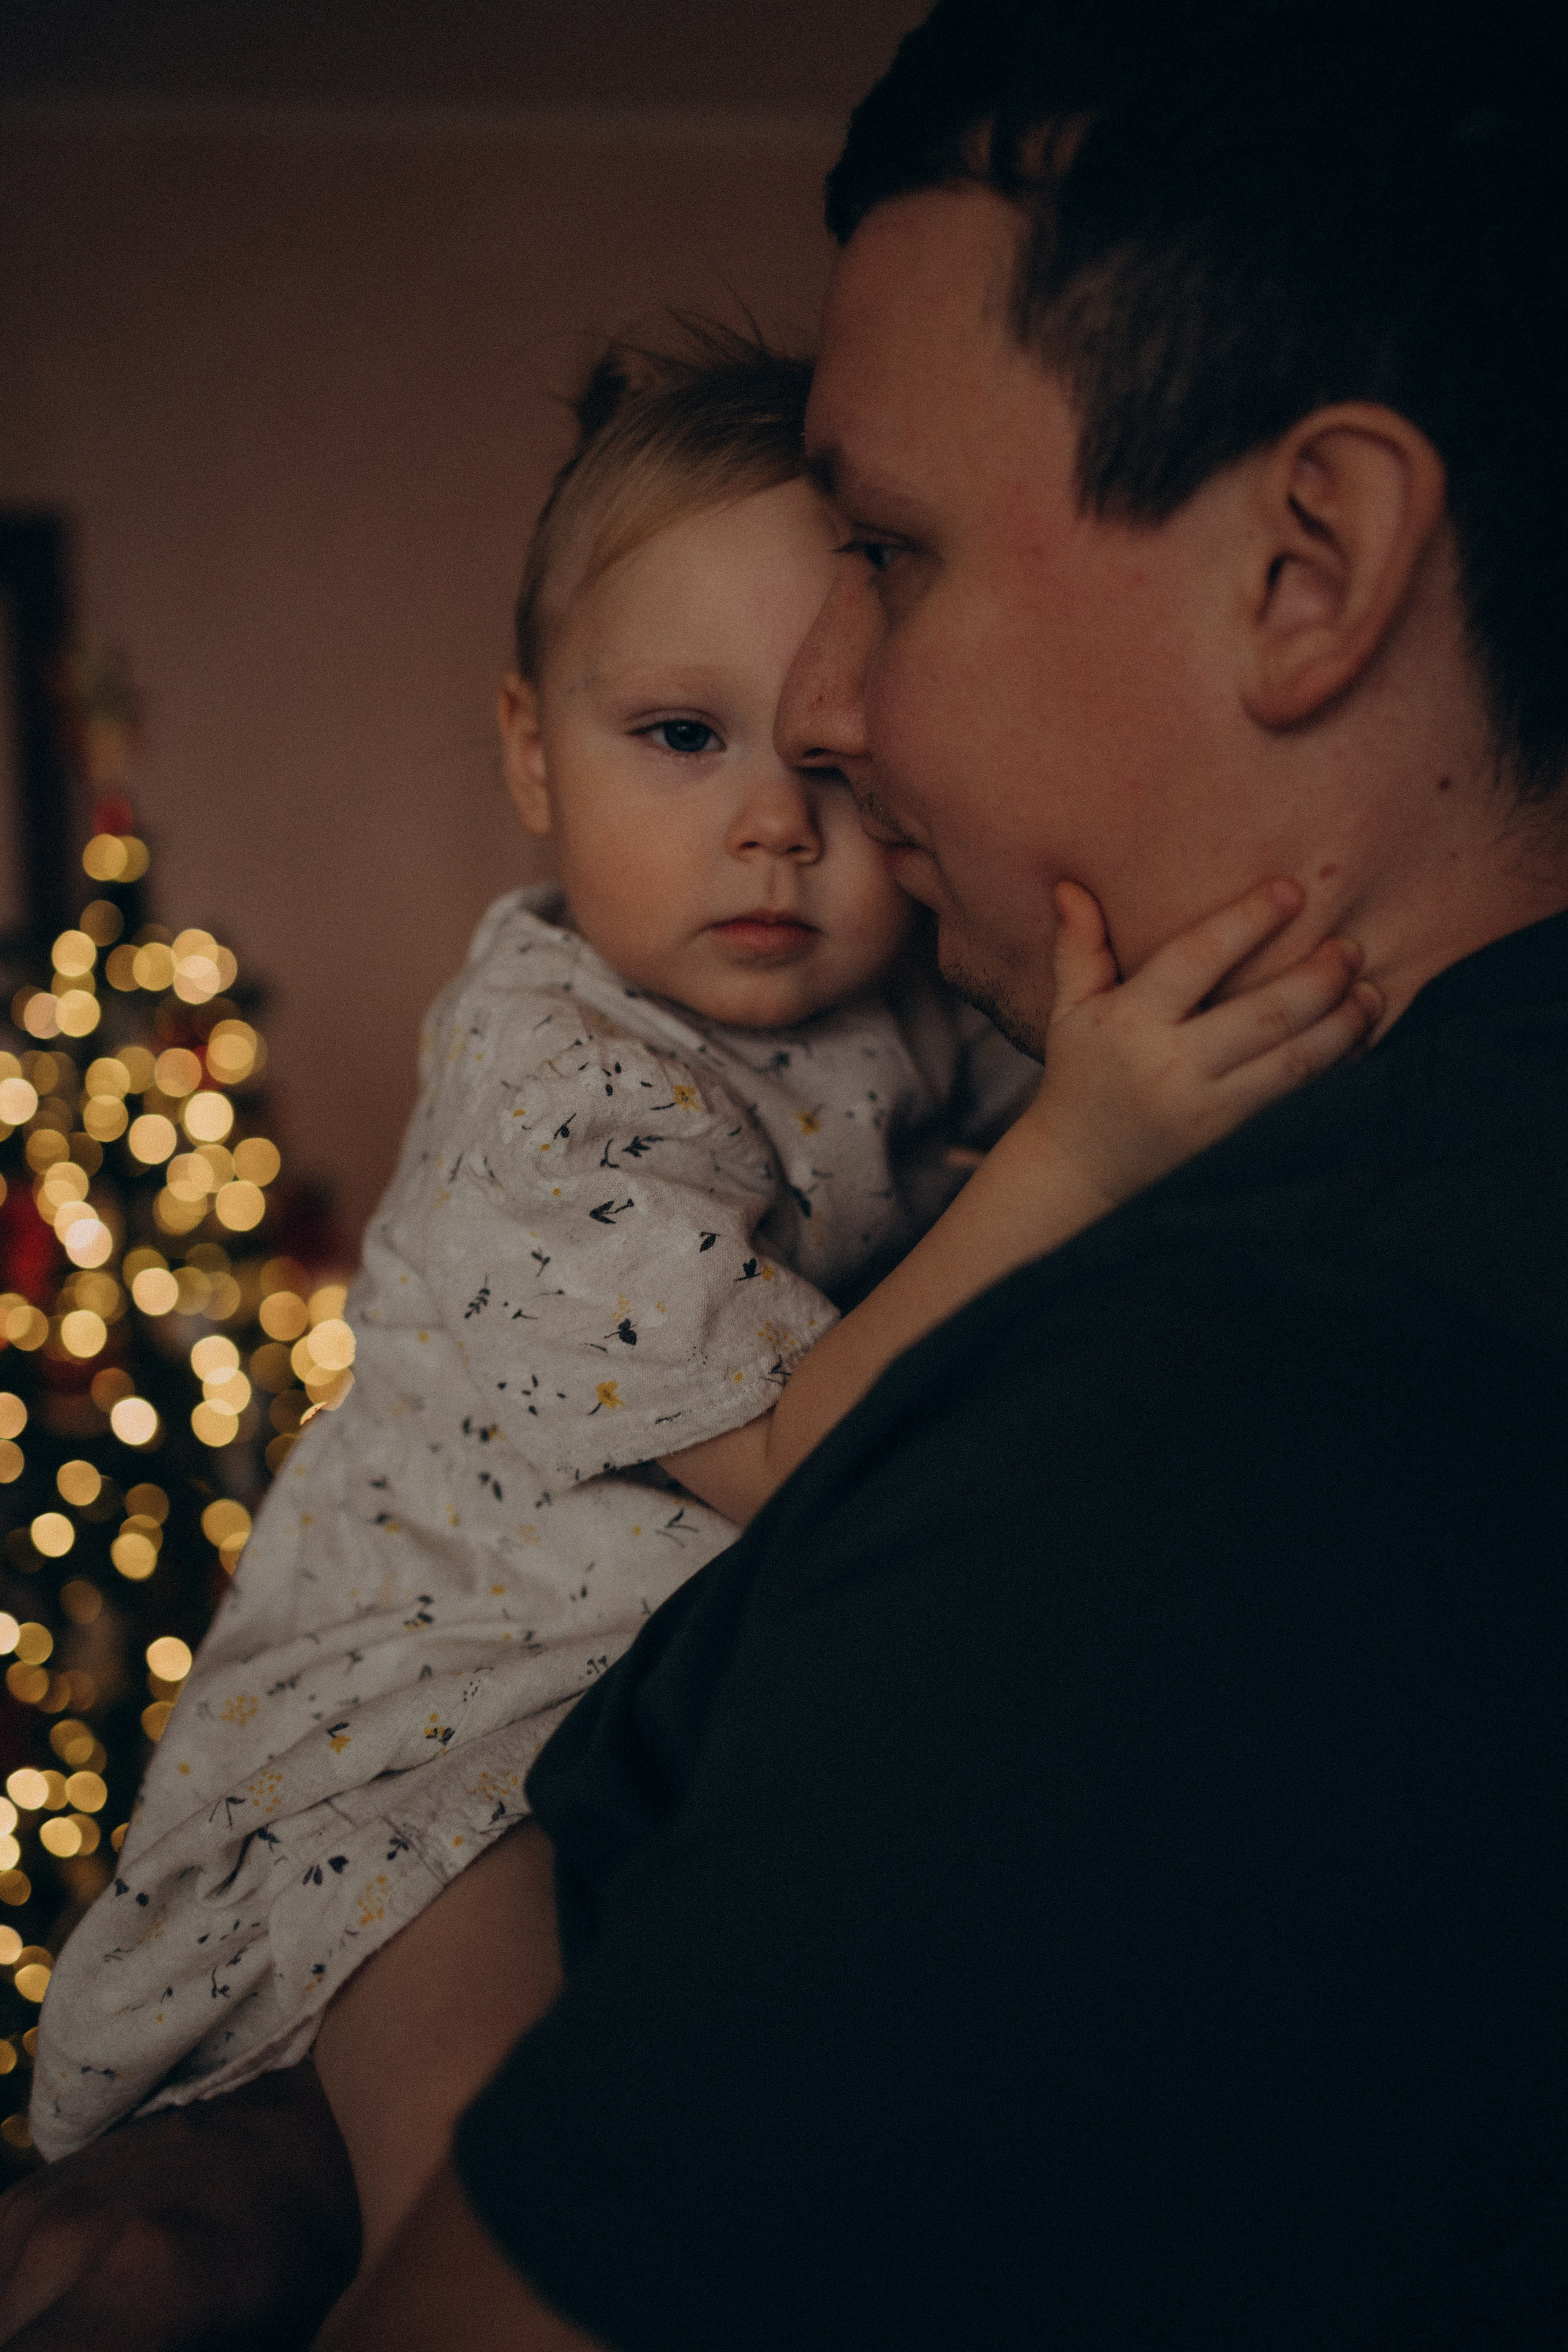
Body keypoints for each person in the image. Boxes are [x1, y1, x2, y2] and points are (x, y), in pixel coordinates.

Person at [6, 0, 1568, 2343]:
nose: (822, 728)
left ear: (1308, 563)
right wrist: (263, 2176)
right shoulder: (1149, 1188)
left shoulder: (1248, 1407)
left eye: (896, 553)